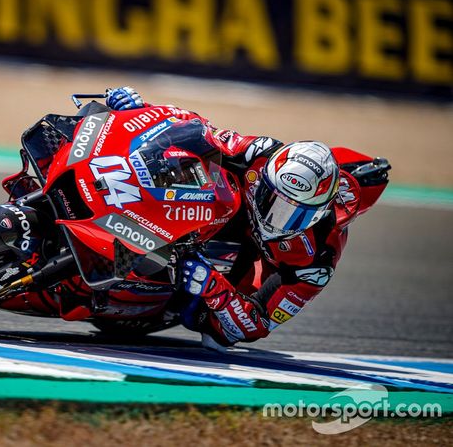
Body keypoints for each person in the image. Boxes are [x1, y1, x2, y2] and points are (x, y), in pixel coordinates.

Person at [105, 86, 388, 350]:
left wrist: (214, 289)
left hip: (256, 262)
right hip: (234, 213)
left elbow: (257, 326)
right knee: (193, 168)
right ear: (266, 178)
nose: (280, 219)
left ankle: (130, 279)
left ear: (319, 213)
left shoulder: (317, 260)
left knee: (217, 334)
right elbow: (196, 128)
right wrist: (139, 110)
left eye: (297, 215)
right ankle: (125, 222)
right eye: (274, 201)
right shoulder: (261, 153)